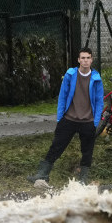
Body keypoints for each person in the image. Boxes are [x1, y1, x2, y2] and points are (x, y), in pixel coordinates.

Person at [28, 47, 103, 185]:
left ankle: (83, 181)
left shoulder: (97, 79)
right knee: (56, 146)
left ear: (91, 60)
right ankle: (42, 174)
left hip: (88, 121)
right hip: (68, 119)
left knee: (87, 152)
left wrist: (95, 121)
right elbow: (62, 96)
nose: (85, 61)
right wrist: (59, 118)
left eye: (88, 58)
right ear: (78, 60)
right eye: (83, 58)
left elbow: (99, 101)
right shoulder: (70, 75)